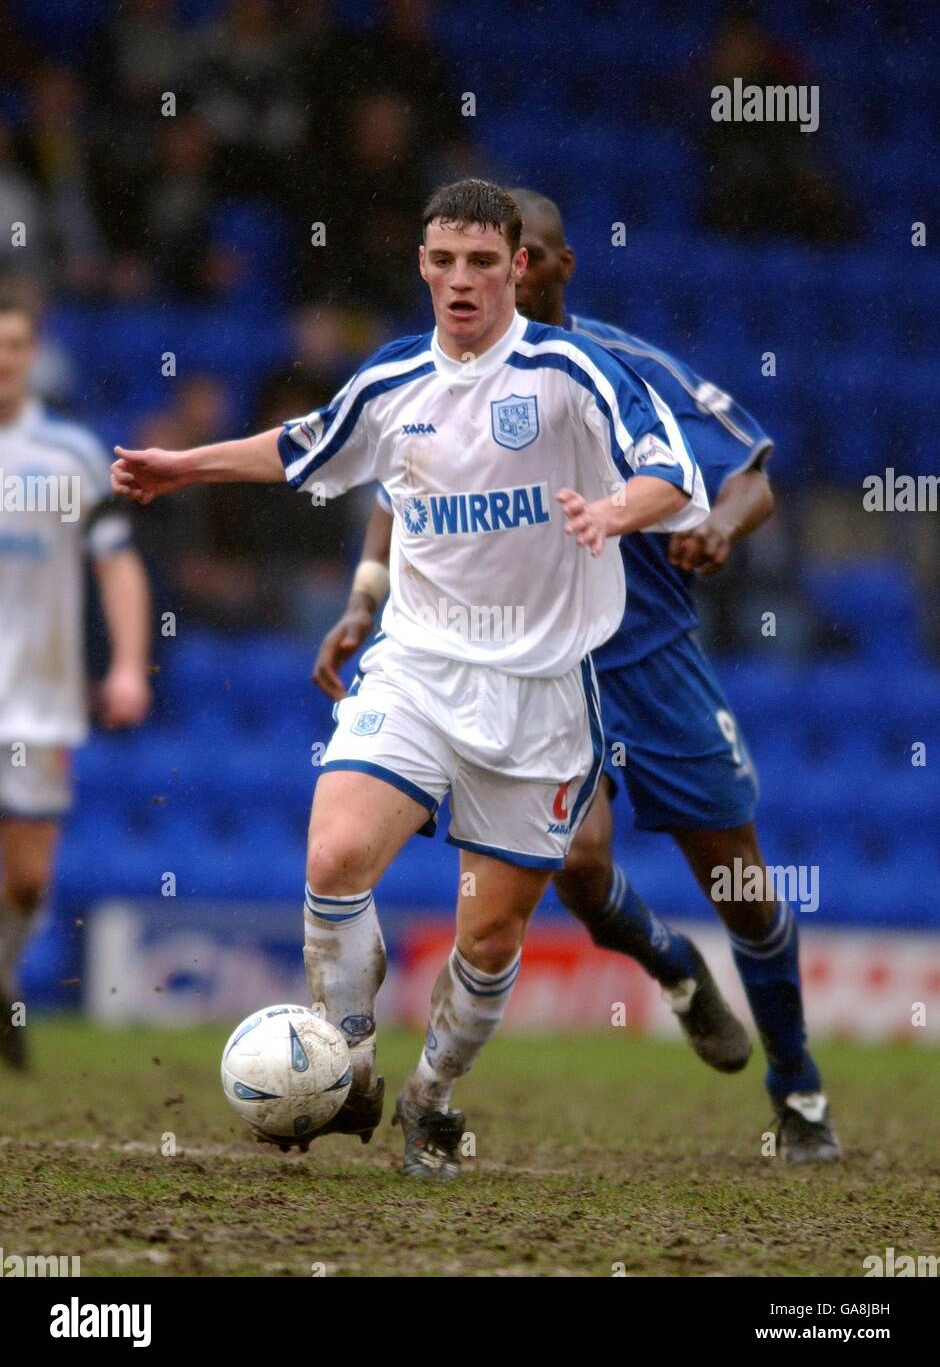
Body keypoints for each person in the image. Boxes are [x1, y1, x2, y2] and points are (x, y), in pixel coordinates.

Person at [111, 178, 708, 1179]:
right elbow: (300, 447)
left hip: (541, 691)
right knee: (336, 854)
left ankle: (431, 1094)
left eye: (483, 261)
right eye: (443, 261)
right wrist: (182, 465)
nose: (461, 280)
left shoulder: (571, 370)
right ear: (423, 267)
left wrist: (619, 512)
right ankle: (347, 1062)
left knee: (489, 931)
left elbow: (672, 470)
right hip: (419, 664)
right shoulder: (394, 383)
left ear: (517, 267)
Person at [314, 189, 840, 1165]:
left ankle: (796, 1081)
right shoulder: (444, 371)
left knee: (737, 880)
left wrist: (718, 526)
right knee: (578, 862)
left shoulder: (622, 366)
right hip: (533, 667)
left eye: (526, 259)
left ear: (553, 266)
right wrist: (365, 594)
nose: (497, 276)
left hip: (647, 656)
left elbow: (749, 466)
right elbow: (399, 484)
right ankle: (669, 965)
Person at [0, 298, 152, 1069]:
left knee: (27, 879)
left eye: (15, 343)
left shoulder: (69, 454)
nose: (3, 358)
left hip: (38, 700)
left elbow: (116, 559)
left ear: (32, 352)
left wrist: (127, 664)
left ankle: (2, 978)